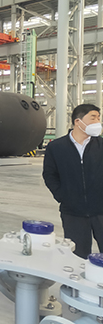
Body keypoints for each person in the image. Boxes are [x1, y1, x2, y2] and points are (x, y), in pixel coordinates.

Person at [43, 104, 103, 259]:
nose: (98, 122)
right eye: (93, 117)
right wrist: (63, 196)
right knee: (78, 256)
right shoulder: (56, 147)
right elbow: (50, 175)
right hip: (73, 212)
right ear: (78, 121)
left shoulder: (101, 146)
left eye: (98, 118)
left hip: (101, 210)